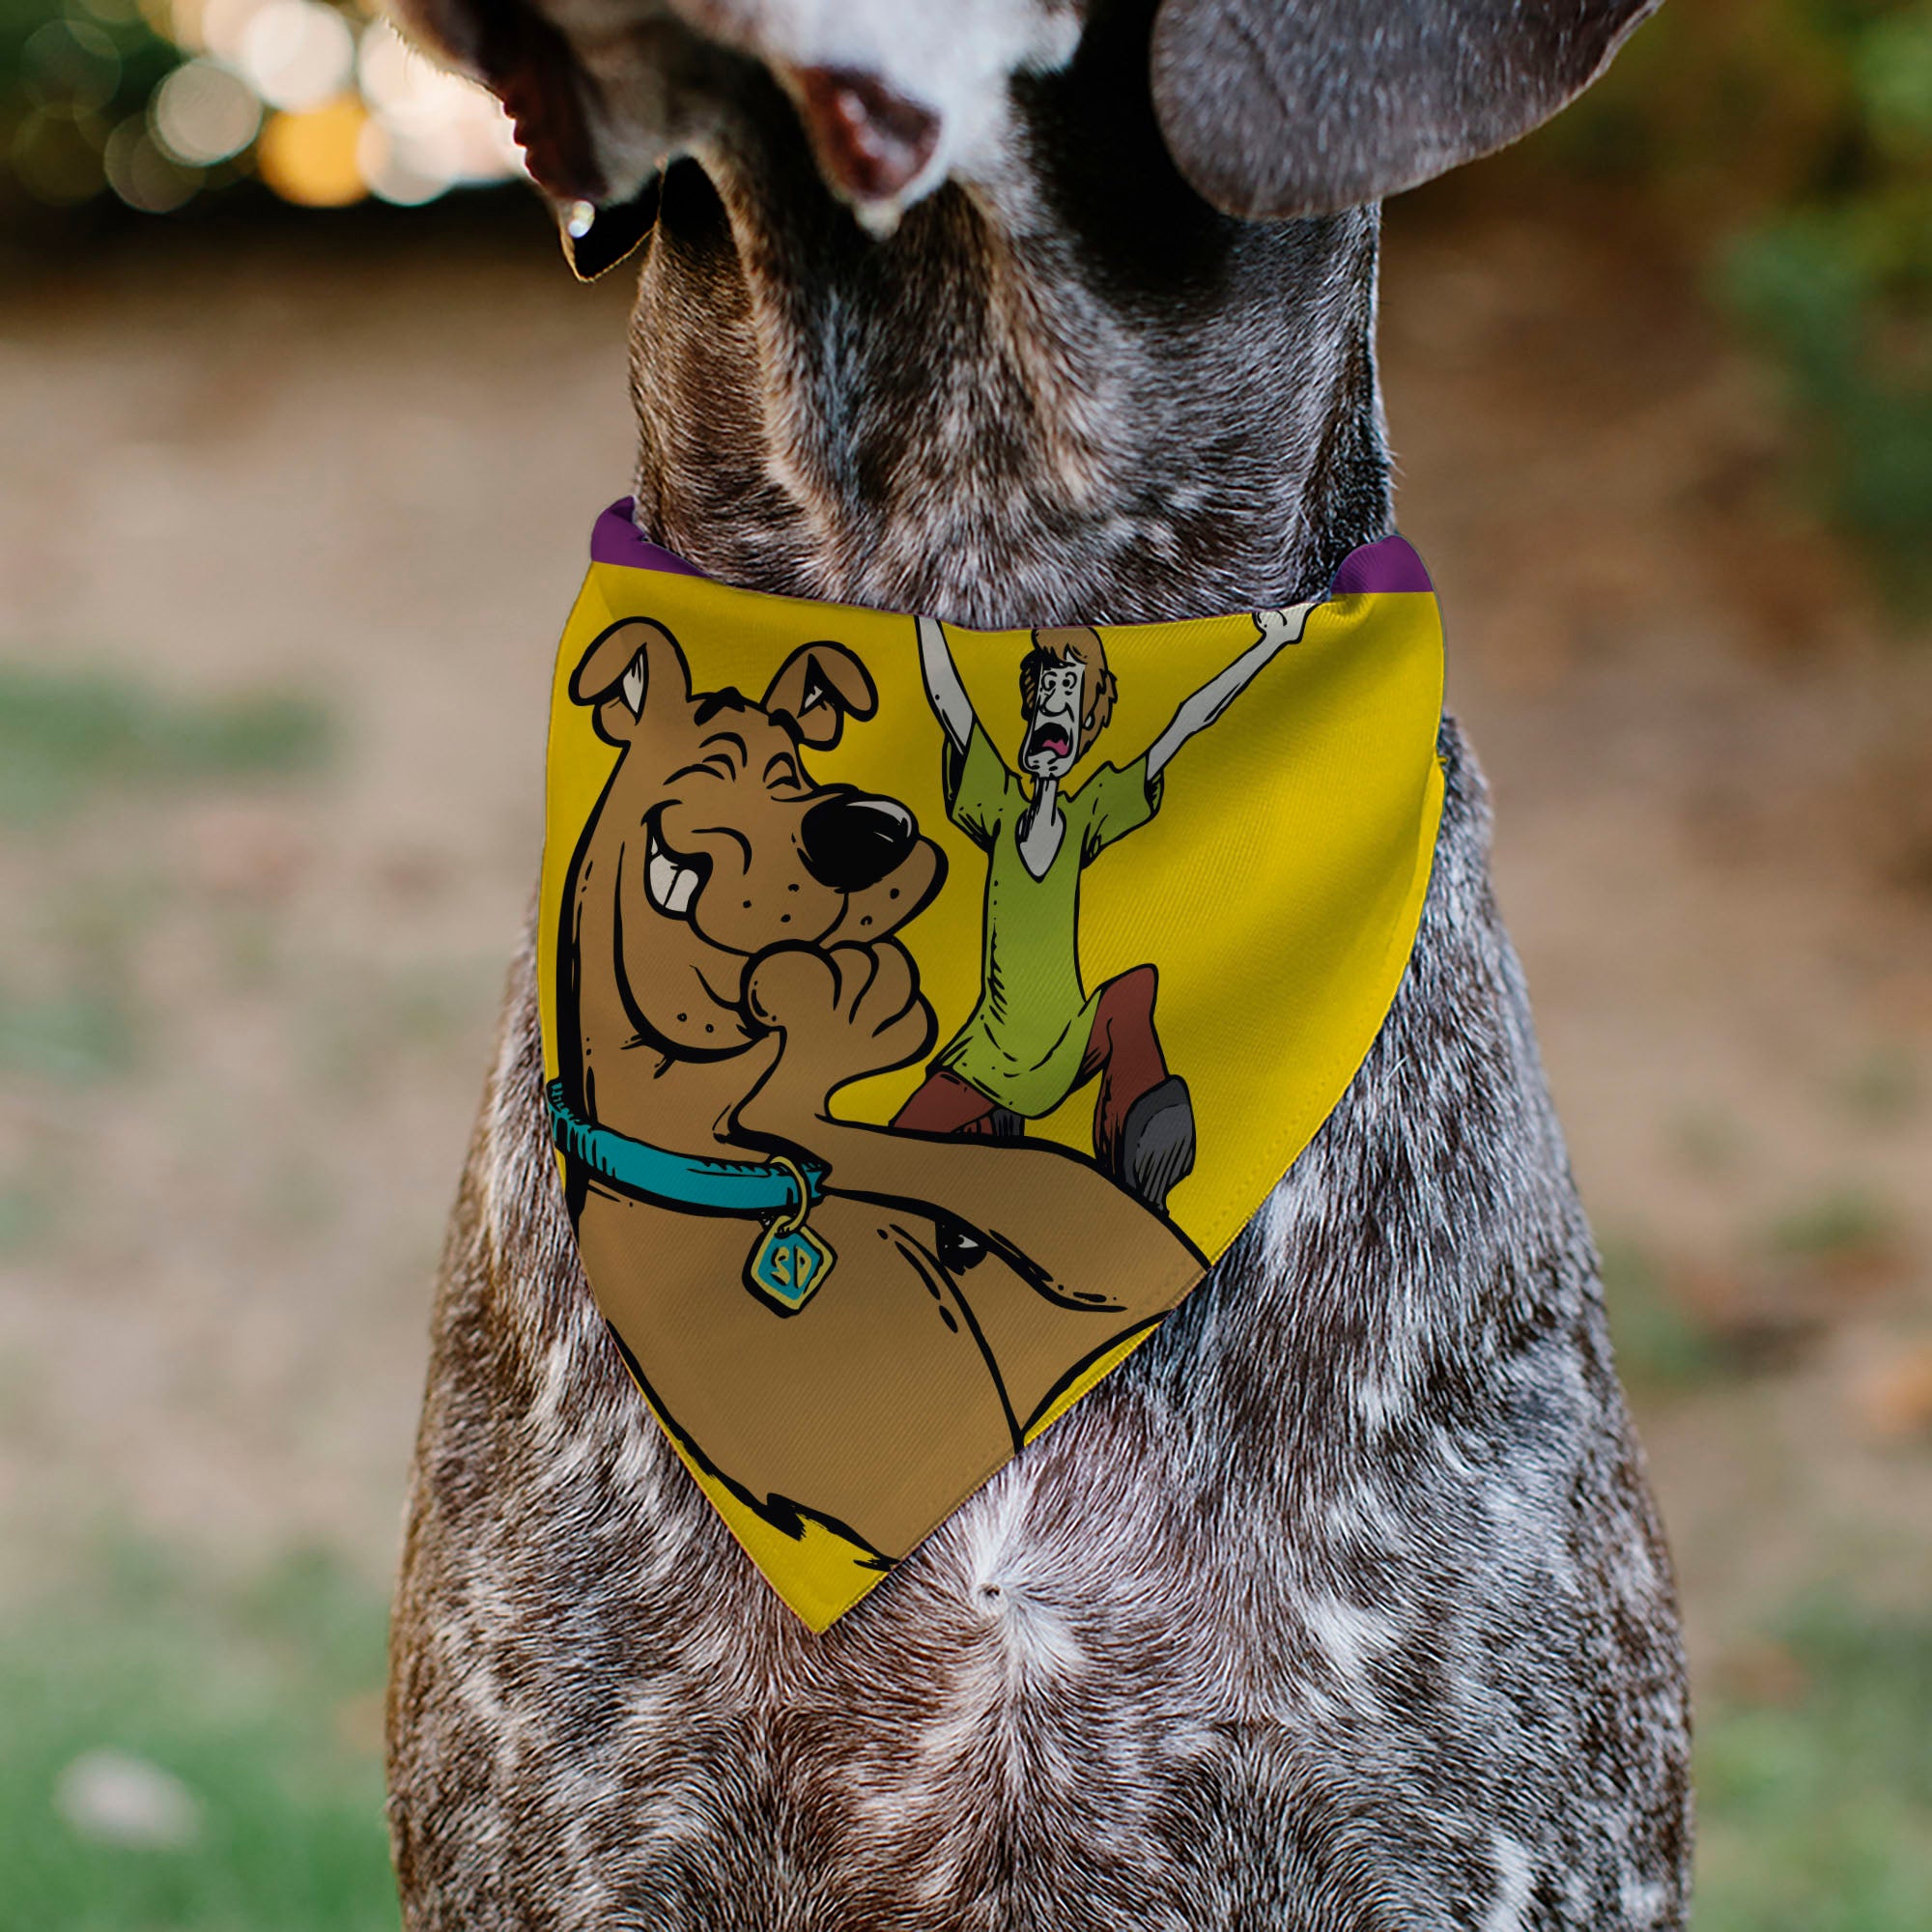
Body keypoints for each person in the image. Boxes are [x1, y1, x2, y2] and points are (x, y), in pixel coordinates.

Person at [893, 603, 1312, 1211]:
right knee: (893, 1151)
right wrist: (923, 604)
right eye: (1045, 696)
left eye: (1068, 699)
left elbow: (1186, 723)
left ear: (1086, 728)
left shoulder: (1088, 814)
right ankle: (969, 1188)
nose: (1052, 709)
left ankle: (1142, 1173)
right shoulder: (998, 805)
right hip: (989, 1054)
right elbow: (946, 697)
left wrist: (1271, 644)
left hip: (1069, 1038)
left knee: (1129, 996)